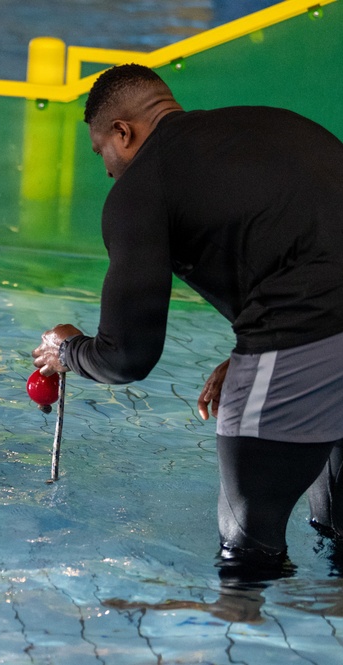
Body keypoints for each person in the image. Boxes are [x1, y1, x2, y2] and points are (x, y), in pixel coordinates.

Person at [31, 63, 343, 578]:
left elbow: (127, 356)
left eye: (100, 151)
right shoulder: (268, 125)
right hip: (316, 328)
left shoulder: (141, 186)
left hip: (307, 329)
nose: (106, 168)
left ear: (122, 133)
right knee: (336, 532)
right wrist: (249, 355)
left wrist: (67, 352)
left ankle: (234, 636)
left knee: (247, 548)